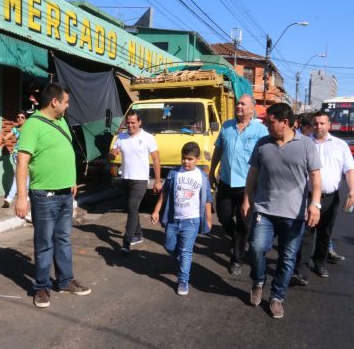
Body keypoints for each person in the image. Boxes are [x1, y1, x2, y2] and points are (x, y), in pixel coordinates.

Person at [241, 103, 322, 319]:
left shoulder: (306, 145)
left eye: (270, 122)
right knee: (256, 248)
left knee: (287, 258)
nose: (267, 125)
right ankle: (258, 281)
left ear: (285, 122)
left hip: (294, 214)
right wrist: (247, 199)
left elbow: (315, 177)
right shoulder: (263, 143)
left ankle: (277, 296)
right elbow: (252, 174)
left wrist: (315, 204)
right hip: (264, 209)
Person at [15, 84, 91, 309]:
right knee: (44, 243)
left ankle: (65, 281)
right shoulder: (32, 125)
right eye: (66, 102)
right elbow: (22, 163)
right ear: (54, 101)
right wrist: (21, 197)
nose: (68, 106)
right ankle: (41, 287)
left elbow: (65, 152)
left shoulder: (61, 121)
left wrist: (72, 180)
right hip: (44, 196)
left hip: (66, 194)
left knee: (63, 240)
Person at [293, 110, 354, 285]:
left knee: (325, 232)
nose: (319, 126)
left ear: (329, 125)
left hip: (330, 197)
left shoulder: (340, 145)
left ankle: (319, 262)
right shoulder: (302, 143)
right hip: (307, 197)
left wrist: (353, 190)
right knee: (306, 233)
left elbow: (349, 169)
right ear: (311, 125)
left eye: (322, 123)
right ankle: (301, 269)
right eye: (315, 123)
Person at [209, 94, 268, 275]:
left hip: (247, 186)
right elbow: (218, 150)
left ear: (252, 109)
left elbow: (266, 157)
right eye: (238, 103)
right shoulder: (227, 126)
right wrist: (211, 172)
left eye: (243, 104)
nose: (239, 106)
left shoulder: (261, 130)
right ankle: (237, 239)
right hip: (226, 182)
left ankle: (237, 259)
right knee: (223, 216)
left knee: (244, 223)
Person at [151, 142, 213, 296]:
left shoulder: (202, 176)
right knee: (169, 246)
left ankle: (183, 280)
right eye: (184, 158)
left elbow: (207, 199)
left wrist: (209, 218)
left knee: (186, 251)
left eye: (190, 159)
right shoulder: (174, 173)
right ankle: (183, 259)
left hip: (192, 221)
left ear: (197, 159)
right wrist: (156, 210)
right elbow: (165, 193)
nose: (186, 162)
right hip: (173, 219)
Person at [109, 110, 162, 255]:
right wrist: (112, 154)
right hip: (126, 178)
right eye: (128, 122)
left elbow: (156, 160)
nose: (130, 125)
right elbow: (112, 155)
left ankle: (126, 243)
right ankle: (138, 234)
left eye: (133, 122)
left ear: (139, 122)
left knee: (132, 208)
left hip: (140, 180)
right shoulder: (121, 137)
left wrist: (157, 181)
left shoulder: (148, 138)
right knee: (132, 209)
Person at [2, 111, 29, 209]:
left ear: (25, 119)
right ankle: (9, 198)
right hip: (17, 154)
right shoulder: (15, 129)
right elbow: (5, 138)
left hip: (27, 154)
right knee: (18, 175)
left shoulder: (29, 128)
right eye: (18, 117)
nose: (20, 119)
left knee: (27, 175)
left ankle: (25, 194)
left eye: (22, 117)